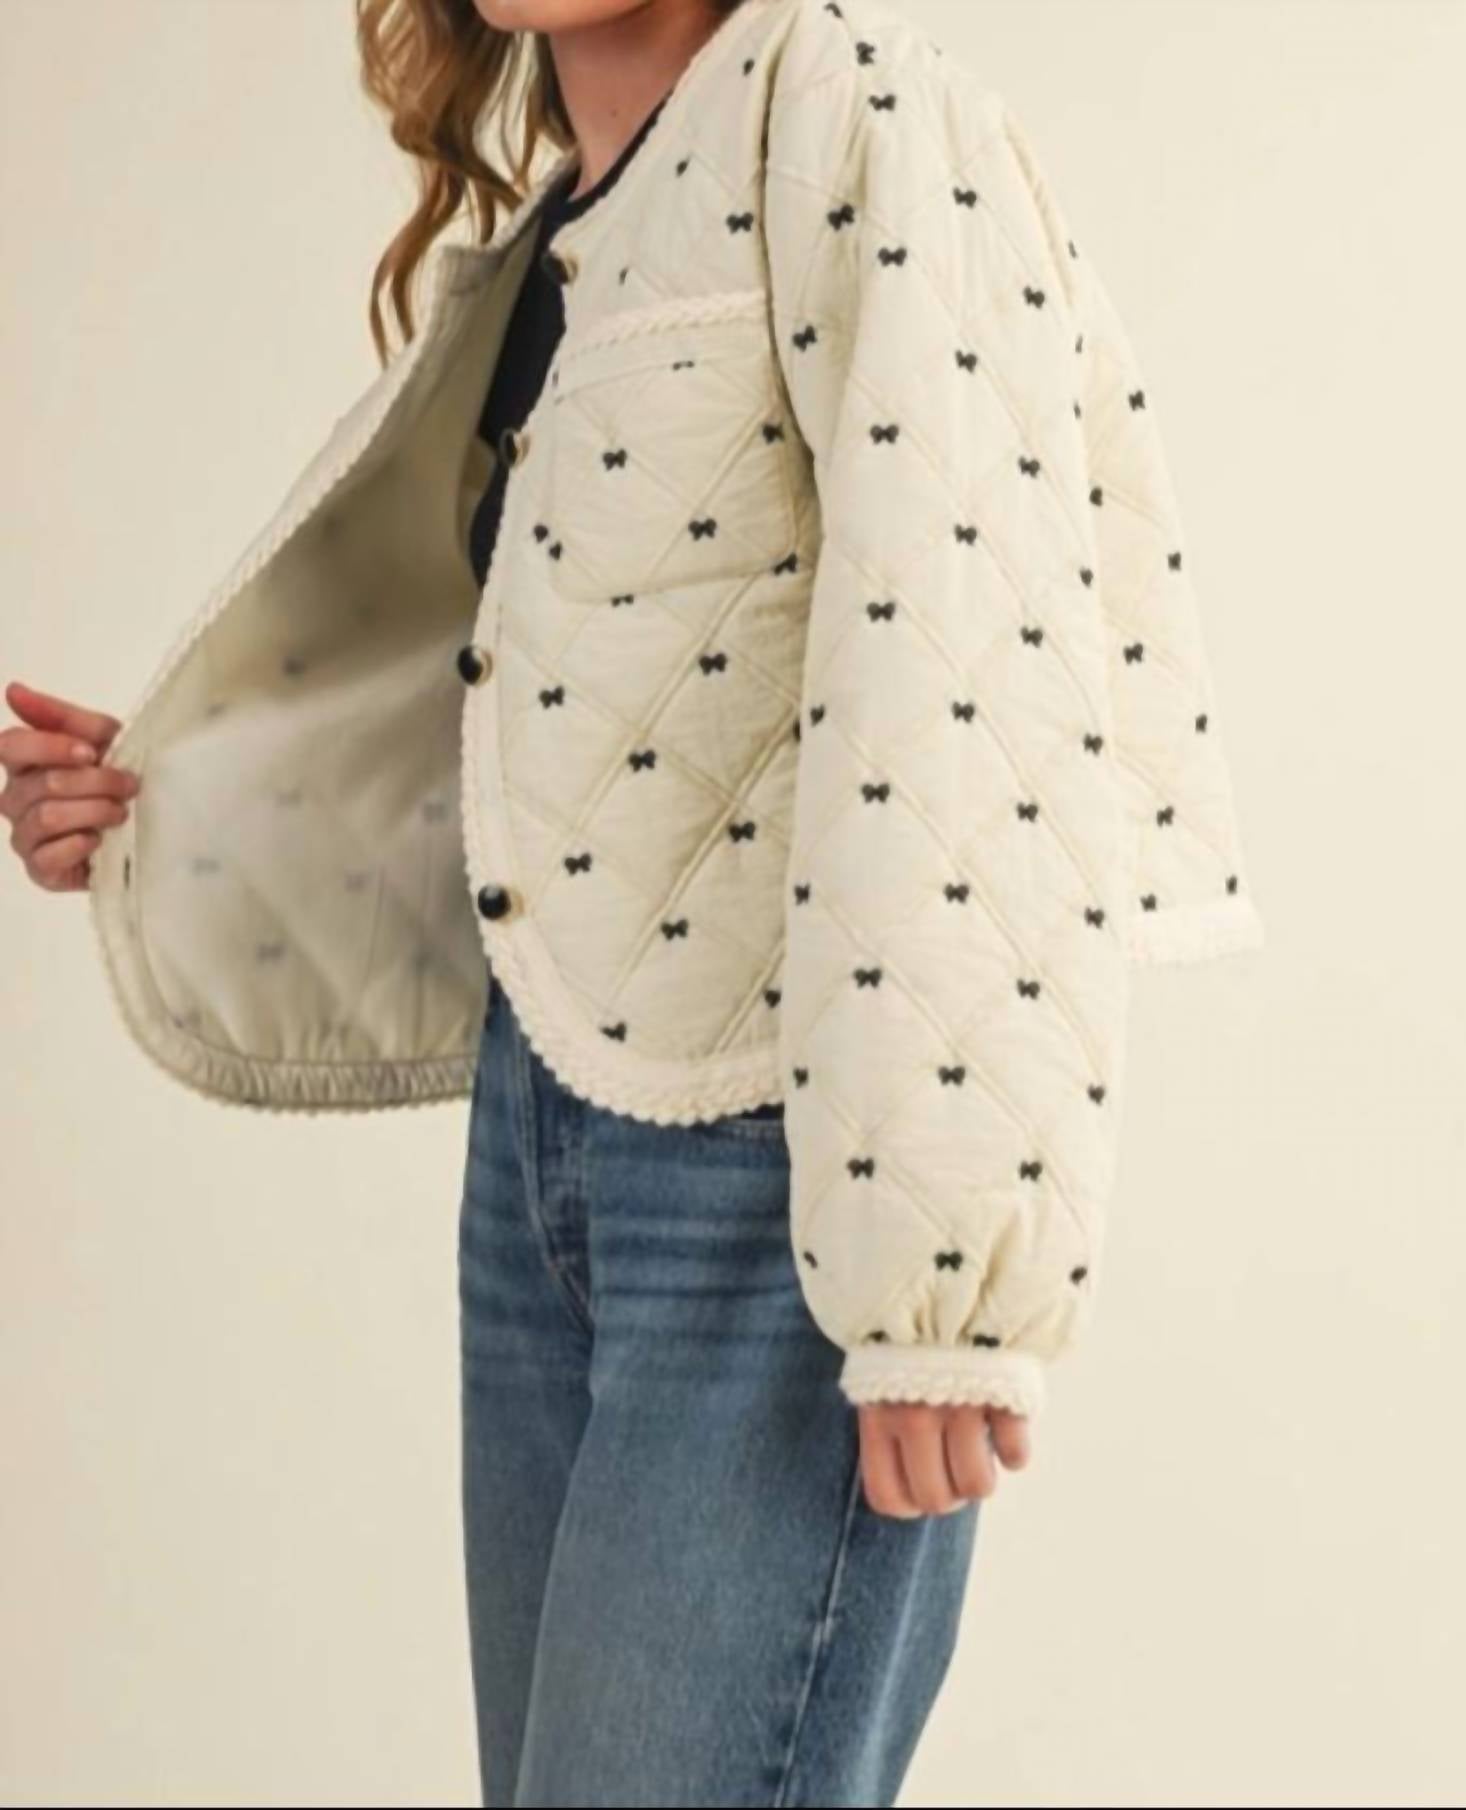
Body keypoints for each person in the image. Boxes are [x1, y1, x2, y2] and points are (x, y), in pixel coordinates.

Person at [3, 0, 1265, 1802]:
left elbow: (976, 675)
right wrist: (166, 808)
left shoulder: (863, 118)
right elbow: (566, 732)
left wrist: (943, 1285)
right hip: (540, 1150)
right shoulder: (569, 233)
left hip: (783, 1186)